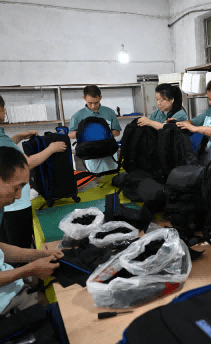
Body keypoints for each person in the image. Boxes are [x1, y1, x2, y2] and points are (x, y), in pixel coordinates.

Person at [0, 146, 63, 316]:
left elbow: (0, 249)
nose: (19, 196)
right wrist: (29, 269)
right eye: (16, 188)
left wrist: (38, 255)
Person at [0, 96, 67, 249]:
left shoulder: (2, 137)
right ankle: (21, 271)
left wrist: (18, 137)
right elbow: (25, 164)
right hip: (14, 206)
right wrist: (51, 149)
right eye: (4, 108)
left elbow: (5, 151)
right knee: (18, 246)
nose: (5, 111)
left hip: (7, 205)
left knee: (7, 244)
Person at [68, 85, 122, 174]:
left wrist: (104, 133)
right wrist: (85, 133)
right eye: (90, 103)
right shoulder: (78, 116)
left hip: (109, 154)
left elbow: (117, 132)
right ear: (84, 98)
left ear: (100, 97)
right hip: (91, 156)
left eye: (96, 102)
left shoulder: (109, 112)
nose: (93, 106)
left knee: (114, 177)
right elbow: (70, 135)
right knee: (95, 181)